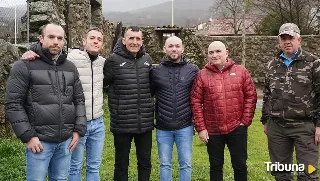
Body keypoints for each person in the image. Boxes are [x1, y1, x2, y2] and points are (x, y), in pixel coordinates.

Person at [22, 27, 106, 180]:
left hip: (98, 122)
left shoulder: (104, 62)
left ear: (103, 44)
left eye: (99, 39)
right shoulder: (71, 59)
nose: (95, 41)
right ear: (83, 41)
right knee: (75, 166)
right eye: (92, 38)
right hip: (77, 122)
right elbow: (49, 54)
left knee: (94, 166)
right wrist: (31, 50)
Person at [5, 23, 87, 181]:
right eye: (51, 37)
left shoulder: (70, 67)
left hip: (65, 141)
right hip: (39, 142)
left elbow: (79, 100)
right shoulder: (24, 66)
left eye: (60, 38)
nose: (56, 41)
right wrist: (28, 136)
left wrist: (78, 130)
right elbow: (13, 103)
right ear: (41, 39)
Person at [261, 23, 320, 181]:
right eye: (283, 38)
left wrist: (319, 126)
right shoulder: (272, 65)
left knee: (308, 173)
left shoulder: (313, 63)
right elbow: (267, 94)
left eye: (291, 38)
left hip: (304, 127)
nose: (287, 41)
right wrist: (265, 120)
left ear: (299, 39)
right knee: (281, 174)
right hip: (277, 128)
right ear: (279, 41)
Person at [190, 41, 257, 181]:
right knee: (215, 166)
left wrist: (245, 121)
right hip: (213, 130)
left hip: (237, 128)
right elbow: (196, 101)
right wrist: (201, 128)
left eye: (218, 51)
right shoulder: (202, 75)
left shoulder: (241, 71)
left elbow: (251, 95)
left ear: (226, 52)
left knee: (239, 165)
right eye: (211, 52)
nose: (214, 55)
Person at [103, 26, 154, 181]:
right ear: (124, 40)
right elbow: (102, 83)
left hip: (144, 123)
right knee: (121, 164)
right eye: (131, 38)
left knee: (145, 163)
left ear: (142, 41)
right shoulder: (112, 60)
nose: (134, 41)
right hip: (122, 123)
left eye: (138, 38)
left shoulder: (147, 60)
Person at [150, 36, 199, 181]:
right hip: (163, 127)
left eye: (177, 46)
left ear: (182, 49)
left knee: (185, 164)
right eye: (170, 46)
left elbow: (198, 96)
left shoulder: (193, 70)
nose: (174, 49)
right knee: (165, 164)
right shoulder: (155, 71)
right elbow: (149, 94)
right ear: (164, 49)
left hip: (185, 126)